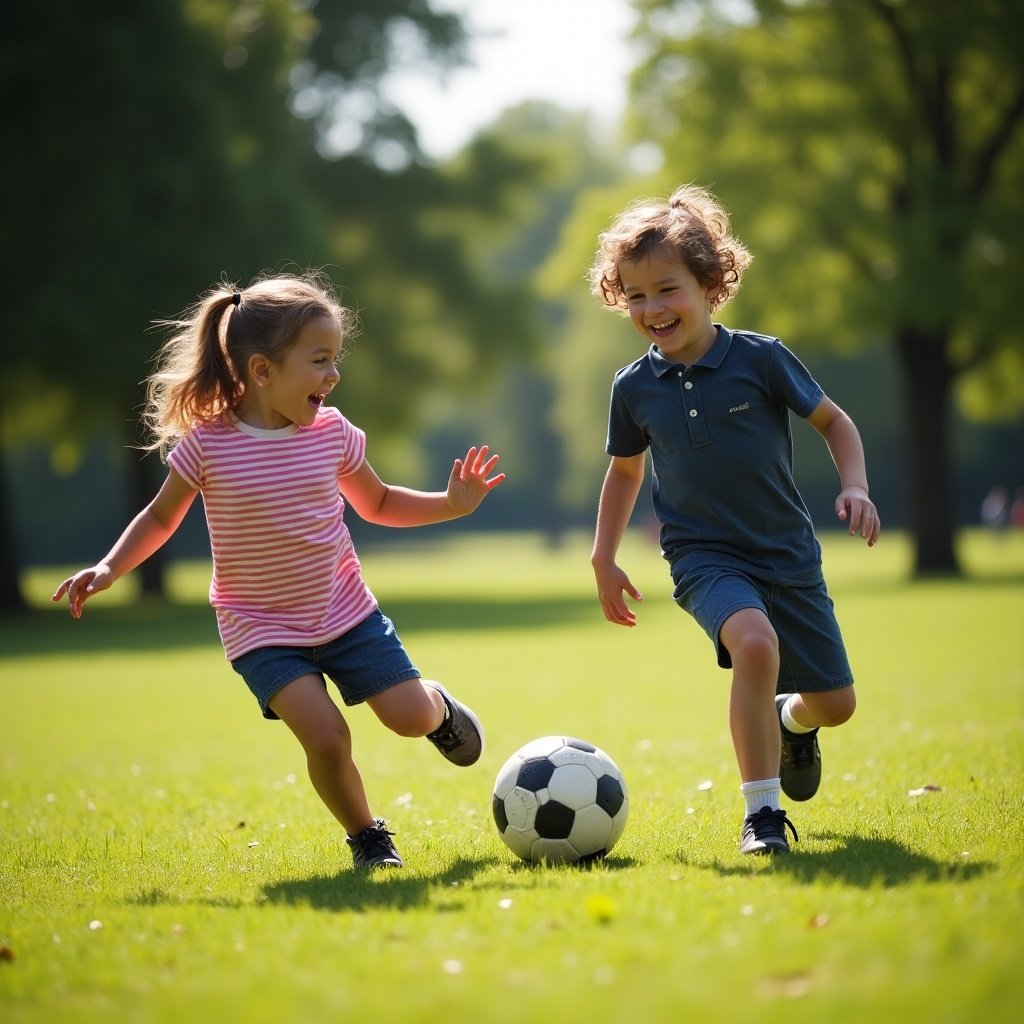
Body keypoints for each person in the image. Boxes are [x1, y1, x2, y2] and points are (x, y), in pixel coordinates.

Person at [52, 271, 505, 871]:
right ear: (263, 371)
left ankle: (438, 708)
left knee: (408, 719)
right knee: (326, 736)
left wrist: (451, 504)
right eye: (319, 360)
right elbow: (160, 519)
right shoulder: (207, 445)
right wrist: (110, 567)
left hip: (346, 614)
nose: (333, 375)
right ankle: (368, 837)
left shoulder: (331, 434)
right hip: (259, 628)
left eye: (335, 359)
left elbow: (379, 503)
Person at [587, 185, 880, 855]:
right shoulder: (633, 388)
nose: (653, 308)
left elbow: (834, 423)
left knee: (836, 705)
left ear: (711, 284)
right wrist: (603, 557)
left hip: (788, 553)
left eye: (668, 289)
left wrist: (856, 486)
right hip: (703, 557)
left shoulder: (761, 358)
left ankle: (792, 722)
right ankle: (763, 817)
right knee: (753, 644)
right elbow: (626, 472)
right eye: (635, 296)